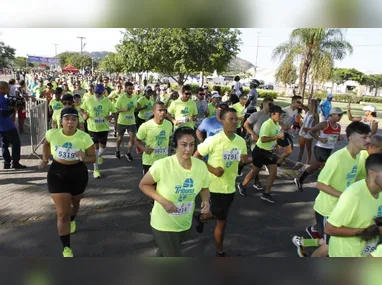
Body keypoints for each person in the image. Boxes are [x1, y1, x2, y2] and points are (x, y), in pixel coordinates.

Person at [292, 121, 371, 257]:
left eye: (369, 137)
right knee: (328, 247)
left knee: (332, 243)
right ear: (351, 138)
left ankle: (303, 242)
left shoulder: (358, 156)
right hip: (327, 210)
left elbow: (357, 178)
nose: (368, 140)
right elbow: (320, 184)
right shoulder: (337, 159)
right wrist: (344, 195)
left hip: (341, 209)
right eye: (364, 137)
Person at [139, 127, 211, 257]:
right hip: (164, 225)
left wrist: (205, 200)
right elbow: (144, 184)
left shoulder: (200, 166)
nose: (188, 149)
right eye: (183, 145)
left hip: (184, 223)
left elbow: (204, 187)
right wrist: (162, 201)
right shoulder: (162, 165)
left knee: (165, 252)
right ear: (175, 145)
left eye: (192, 144)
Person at [39, 107, 96, 257]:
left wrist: (84, 156)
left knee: (75, 203)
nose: (70, 122)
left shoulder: (84, 137)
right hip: (57, 173)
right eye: (67, 119)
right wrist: (45, 158)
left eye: (73, 119)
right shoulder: (52, 134)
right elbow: (46, 144)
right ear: (61, 121)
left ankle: (72, 220)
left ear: (77, 121)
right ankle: (67, 248)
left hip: (78, 173)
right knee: (62, 213)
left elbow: (93, 158)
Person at [194, 108, 250, 256]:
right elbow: (196, 157)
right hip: (214, 186)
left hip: (230, 186)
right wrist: (212, 170)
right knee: (222, 221)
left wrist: (246, 160)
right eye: (230, 119)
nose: (234, 122)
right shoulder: (213, 140)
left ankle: (200, 217)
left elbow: (243, 159)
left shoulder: (241, 141)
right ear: (222, 121)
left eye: (236, 119)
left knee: (218, 214)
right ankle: (219, 250)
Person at [323, 153, 382, 257]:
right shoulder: (353, 195)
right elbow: (329, 229)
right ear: (372, 173)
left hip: (368, 253)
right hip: (346, 255)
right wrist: (363, 232)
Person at [237, 105, 285, 203]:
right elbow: (263, 139)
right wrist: (277, 137)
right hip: (260, 151)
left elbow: (274, 137)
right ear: (272, 114)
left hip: (269, 153)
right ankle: (242, 185)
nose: (280, 116)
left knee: (273, 173)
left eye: (281, 114)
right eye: (279, 114)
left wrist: (276, 144)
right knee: (254, 171)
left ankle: (266, 194)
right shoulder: (267, 124)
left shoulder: (276, 124)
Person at [294, 107, 345, 192]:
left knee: (312, 168)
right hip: (320, 149)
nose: (340, 117)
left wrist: (339, 138)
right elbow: (311, 131)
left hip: (328, 150)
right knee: (327, 168)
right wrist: (320, 138)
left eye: (342, 115)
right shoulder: (324, 124)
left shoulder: (338, 126)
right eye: (339, 115)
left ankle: (299, 180)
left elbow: (334, 138)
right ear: (332, 115)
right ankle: (324, 188)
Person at [80, 84, 117, 178]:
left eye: (99, 93)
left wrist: (111, 116)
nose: (97, 94)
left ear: (103, 92)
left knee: (103, 148)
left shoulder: (107, 101)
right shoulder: (89, 100)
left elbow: (115, 112)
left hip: (104, 128)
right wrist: (84, 114)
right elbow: (81, 109)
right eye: (96, 92)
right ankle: (96, 170)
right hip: (92, 128)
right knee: (95, 150)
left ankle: (99, 155)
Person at [243, 96, 274, 190]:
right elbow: (246, 124)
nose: (271, 106)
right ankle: (256, 181)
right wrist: (253, 134)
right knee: (258, 162)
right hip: (255, 141)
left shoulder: (271, 115)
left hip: (266, 142)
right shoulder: (257, 114)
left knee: (256, 161)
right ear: (264, 104)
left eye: (272, 104)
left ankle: (242, 164)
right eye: (269, 104)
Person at [135, 101, 173, 175]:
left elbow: (169, 139)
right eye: (160, 110)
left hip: (163, 161)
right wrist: (144, 149)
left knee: (161, 185)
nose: (163, 112)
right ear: (153, 111)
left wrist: (173, 148)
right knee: (148, 185)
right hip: (149, 161)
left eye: (164, 110)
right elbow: (136, 140)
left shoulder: (169, 124)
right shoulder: (145, 126)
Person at [0, 81, 26, 169]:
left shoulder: (4, 98)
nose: (8, 89)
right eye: (7, 88)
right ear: (1, 89)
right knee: (16, 143)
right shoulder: (2, 100)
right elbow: (3, 113)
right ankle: (15, 163)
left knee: (4, 144)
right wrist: (13, 109)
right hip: (7, 125)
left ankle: (6, 163)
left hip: (1, 127)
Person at [114, 82, 137, 161]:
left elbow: (136, 107)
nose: (131, 90)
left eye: (132, 88)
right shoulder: (121, 98)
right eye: (129, 88)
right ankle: (117, 150)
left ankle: (128, 153)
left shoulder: (134, 97)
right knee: (120, 138)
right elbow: (115, 109)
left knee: (132, 138)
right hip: (122, 121)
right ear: (125, 88)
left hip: (131, 121)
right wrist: (124, 109)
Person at [297, 99, 319, 165]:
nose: (308, 104)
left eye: (309, 103)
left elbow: (317, 126)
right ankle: (298, 162)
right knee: (301, 148)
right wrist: (301, 124)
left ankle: (307, 163)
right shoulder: (307, 111)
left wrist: (309, 129)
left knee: (308, 149)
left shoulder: (316, 114)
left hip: (309, 133)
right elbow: (302, 106)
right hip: (302, 132)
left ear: (313, 105)